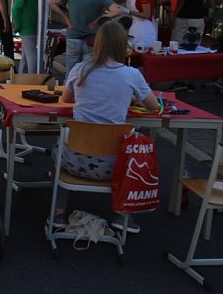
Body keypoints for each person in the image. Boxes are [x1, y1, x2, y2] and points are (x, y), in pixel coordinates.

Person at [52, 20, 159, 232]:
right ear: (122, 46)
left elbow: (66, 99)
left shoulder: (81, 69)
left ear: (97, 44)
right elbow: (153, 106)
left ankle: (58, 214)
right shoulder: (131, 75)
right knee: (132, 153)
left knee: (60, 146)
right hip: (116, 165)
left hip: (74, 159)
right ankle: (122, 217)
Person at [49, 0, 125, 79]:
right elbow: (116, 11)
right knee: (87, 75)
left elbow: (51, 2)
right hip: (92, 40)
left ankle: (67, 95)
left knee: (71, 73)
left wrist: (65, 17)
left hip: (73, 37)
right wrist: (98, 20)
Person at [11, 0, 40, 74]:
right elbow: (15, 7)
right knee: (33, 59)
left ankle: (21, 79)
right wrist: (18, 25)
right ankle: (33, 80)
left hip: (30, 28)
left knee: (25, 59)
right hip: (27, 29)